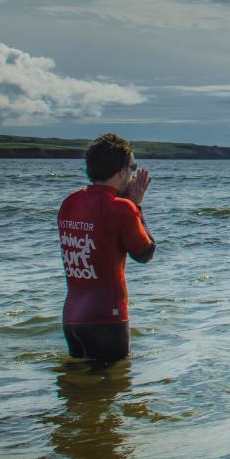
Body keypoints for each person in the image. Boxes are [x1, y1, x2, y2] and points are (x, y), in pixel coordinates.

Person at [58, 133, 155, 366]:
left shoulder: (70, 202)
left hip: (72, 317)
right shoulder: (121, 208)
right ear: (121, 172)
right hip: (106, 317)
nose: (133, 174)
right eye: (132, 168)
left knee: (78, 393)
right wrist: (137, 206)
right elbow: (145, 253)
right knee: (112, 388)